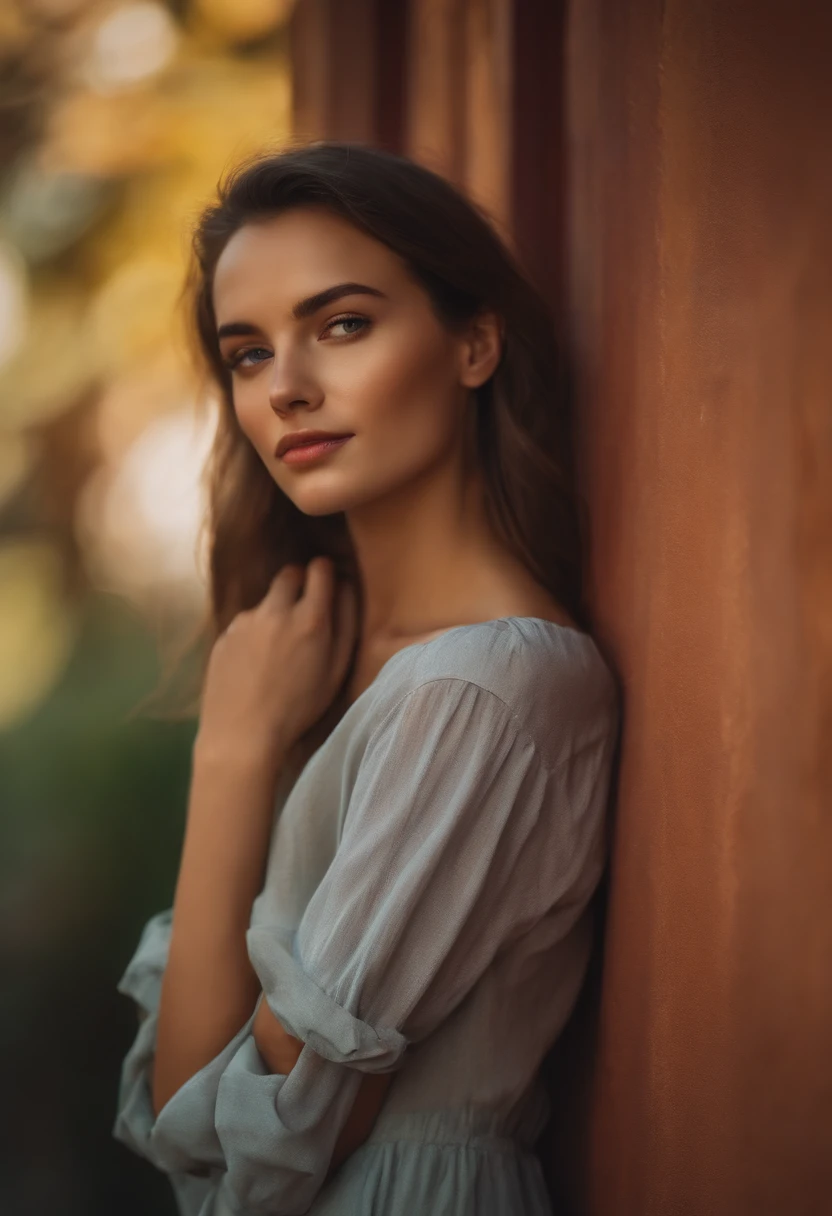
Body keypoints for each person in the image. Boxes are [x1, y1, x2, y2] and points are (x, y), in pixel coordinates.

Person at [112, 141, 620, 1216]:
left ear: (473, 341)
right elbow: (192, 1121)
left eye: (342, 324)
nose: (288, 388)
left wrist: (233, 752)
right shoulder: (322, 661)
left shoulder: (483, 688)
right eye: (246, 354)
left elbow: (250, 1144)